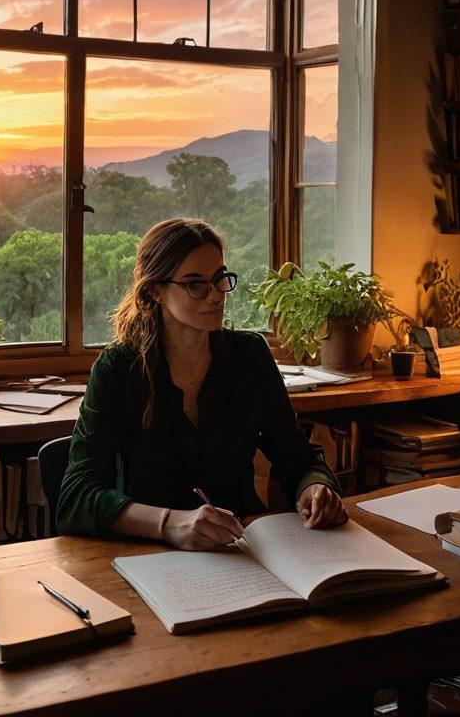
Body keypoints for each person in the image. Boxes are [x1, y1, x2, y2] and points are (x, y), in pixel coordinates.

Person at [56, 217, 348, 550]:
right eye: (195, 284)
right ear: (155, 291)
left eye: (220, 278)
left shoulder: (249, 356)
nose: (215, 295)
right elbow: (76, 497)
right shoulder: (119, 368)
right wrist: (169, 523)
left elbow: (296, 456)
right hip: (149, 552)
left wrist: (315, 487)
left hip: (241, 546)